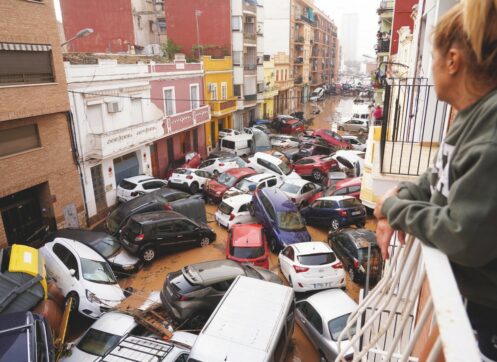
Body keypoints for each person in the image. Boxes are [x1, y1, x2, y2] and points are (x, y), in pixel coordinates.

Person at [374, 0, 497, 360]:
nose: (430, 68)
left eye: (432, 56)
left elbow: (463, 236)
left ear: (453, 61)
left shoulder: (490, 133)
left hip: (487, 316)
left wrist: (394, 208)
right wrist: (403, 195)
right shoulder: (470, 115)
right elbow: (437, 174)